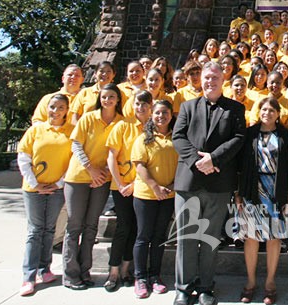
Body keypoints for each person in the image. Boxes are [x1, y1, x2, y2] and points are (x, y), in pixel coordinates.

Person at [172, 61, 246, 305]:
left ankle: (205, 286)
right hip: (189, 182)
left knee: (210, 238)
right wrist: (197, 161)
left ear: (222, 80)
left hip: (219, 182)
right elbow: (178, 137)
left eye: (215, 77)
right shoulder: (187, 106)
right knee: (186, 238)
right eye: (206, 77)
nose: (210, 81)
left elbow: (238, 138)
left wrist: (214, 158)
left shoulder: (235, 108)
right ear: (200, 80)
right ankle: (183, 288)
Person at [234, 97, 288, 305]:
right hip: (252, 190)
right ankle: (251, 282)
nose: (267, 113)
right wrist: (238, 193)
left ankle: (270, 283)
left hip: (276, 192)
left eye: (272, 110)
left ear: (278, 113)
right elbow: (240, 167)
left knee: (274, 238)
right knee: (251, 237)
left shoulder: (285, 136)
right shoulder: (249, 134)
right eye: (264, 109)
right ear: (258, 111)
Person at [63, 83, 125, 290]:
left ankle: (85, 271)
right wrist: (91, 169)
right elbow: (76, 144)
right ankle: (70, 274)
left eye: (112, 97)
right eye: (105, 97)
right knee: (74, 226)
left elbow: (120, 152)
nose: (108, 100)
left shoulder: (121, 122)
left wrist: (104, 174)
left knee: (91, 228)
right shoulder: (89, 117)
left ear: (118, 99)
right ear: (100, 98)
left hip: (103, 179)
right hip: (79, 176)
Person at [17, 94, 73, 296]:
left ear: (67, 110)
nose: (56, 111)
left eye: (60, 108)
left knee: (49, 229)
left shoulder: (70, 132)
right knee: (35, 231)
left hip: (57, 188)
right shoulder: (36, 130)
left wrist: (57, 183)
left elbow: (72, 161)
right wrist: (36, 184)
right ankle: (29, 276)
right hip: (34, 189)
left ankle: (45, 268)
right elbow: (24, 157)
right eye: (52, 107)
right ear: (47, 108)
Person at [103, 89, 153, 292]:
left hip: (141, 187)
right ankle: (113, 272)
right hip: (121, 187)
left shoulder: (152, 129)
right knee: (123, 228)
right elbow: (111, 157)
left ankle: (126, 270)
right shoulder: (122, 125)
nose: (140, 107)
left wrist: (135, 184)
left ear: (151, 106)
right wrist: (121, 183)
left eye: (145, 104)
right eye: (137, 104)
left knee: (135, 229)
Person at [131, 99, 179, 298]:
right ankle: (140, 277)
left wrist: (172, 186)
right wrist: (155, 187)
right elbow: (139, 165)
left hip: (169, 195)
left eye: (165, 113)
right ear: (152, 115)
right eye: (158, 113)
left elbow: (183, 163)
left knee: (160, 237)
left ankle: (155, 276)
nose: (161, 116)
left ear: (171, 115)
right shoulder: (144, 138)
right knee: (144, 236)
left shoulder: (177, 137)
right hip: (146, 195)